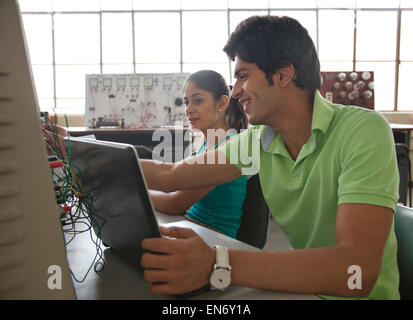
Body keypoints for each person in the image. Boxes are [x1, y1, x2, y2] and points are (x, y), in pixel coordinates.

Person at [140, 15, 400, 300]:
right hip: (306, 291)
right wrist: (93, 162)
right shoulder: (257, 140)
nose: (236, 91)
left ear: (283, 74)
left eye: (243, 76)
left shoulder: (363, 131)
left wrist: (218, 262)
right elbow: (170, 176)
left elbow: (356, 272)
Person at [149, 70, 248, 239]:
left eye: (198, 100)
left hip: (214, 236)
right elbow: (178, 186)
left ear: (222, 103)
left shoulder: (229, 145)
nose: (188, 109)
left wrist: (138, 193)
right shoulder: (203, 142)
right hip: (190, 223)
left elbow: (175, 203)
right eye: (187, 102)